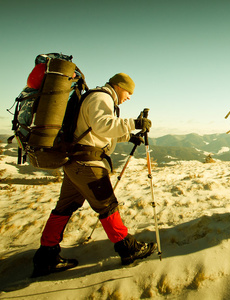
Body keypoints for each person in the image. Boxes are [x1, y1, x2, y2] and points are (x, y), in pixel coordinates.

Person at [32, 73, 156, 277]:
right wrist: (134, 123)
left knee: (64, 207)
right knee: (107, 205)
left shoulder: (99, 97)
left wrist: (128, 136)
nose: (129, 97)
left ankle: (47, 256)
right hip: (87, 164)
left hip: (76, 163)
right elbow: (103, 125)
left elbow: (95, 129)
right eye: (128, 92)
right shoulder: (102, 97)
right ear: (118, 86)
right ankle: (128, 249)